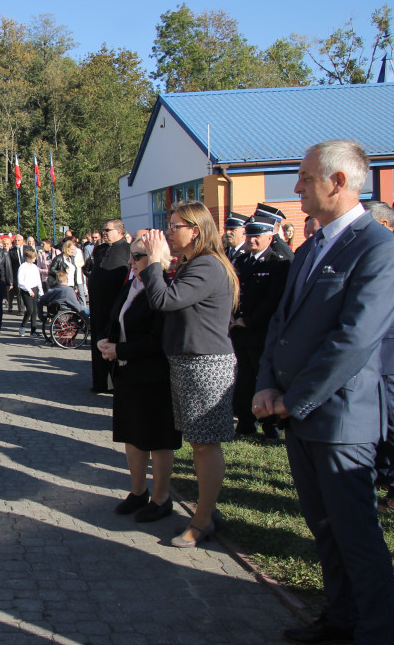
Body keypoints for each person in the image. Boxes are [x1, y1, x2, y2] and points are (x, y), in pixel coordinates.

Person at [253, 140, 394, 645]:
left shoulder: (380, 250)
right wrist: (267, 384)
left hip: (340, 421)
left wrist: (291, 398)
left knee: (357, 537)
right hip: (300, 414)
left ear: (338, 182)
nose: (296, 187)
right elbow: (281, 324)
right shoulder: (312, 246)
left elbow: (354, 340)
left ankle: (376, 632)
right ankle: (340, 621)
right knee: (326, 531)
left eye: (304, 177)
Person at [138, 201, 239, 548]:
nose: (168, 232)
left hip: (204, 364)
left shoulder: (207, 266)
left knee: (204, 446)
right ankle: (208, 509)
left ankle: (203, 519)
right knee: (200, 444)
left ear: (195, 230)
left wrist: (153, 263)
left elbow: (165, 301)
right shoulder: (197, 263)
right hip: (190, 363)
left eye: (175, 226)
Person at [98, 237, 180, 523]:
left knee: (157, 440)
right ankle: (137, 492)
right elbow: (118, 319)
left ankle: (161, 498)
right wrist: (108, 342)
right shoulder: (132, 284)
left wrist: (120, 349)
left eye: (138, 256)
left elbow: (159, 340)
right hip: (127, 373)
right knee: (131, 436)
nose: (131, 261)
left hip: (154, 377)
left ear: (158, 259)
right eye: (131, 256)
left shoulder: (166, 289)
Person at [363, 201, 394, 513]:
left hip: (390, 347)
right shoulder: (374, 253)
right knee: (377, 414)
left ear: (383, 225)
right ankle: (384, 472)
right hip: (373, 348)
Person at [230, 218, 290, 439]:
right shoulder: (242, 261)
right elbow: (234, 292)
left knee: (263, 376)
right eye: (248, 236)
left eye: (257, 236)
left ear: (269, 238)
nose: (251, 240)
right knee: (244, 378)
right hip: (239, 330)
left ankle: (270, 423)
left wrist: (250, 321)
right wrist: (233, 316)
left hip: (261, 331)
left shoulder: (278, 263)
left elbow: (273, 299)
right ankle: (246, 421)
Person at [86, 219, 131, 393]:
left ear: (119, 231)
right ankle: (99, 382)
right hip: (97, 305)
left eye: (108, 230)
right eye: (103, 230)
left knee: (111, 340)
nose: (104, 232)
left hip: (114, 304)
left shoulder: (127, 249)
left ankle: (113, 383)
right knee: (97, 340)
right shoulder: (100, 249)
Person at [16, 246, 42, 337]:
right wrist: (29, 290)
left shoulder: (34, 267)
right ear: (28, 257)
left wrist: (40, 291)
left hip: (34, 289)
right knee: (30, 309)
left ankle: (33, 330)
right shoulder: (23, 267)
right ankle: (22, 326)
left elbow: (38, 280)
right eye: (33, 257)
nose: (35, 259)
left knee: (34, 310)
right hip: (26, 290)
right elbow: (20, 282)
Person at [7, 234, 26, 313]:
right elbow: (10, 265)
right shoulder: (11, 251)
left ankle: (29, 307)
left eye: (18, 240)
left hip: (27, 274)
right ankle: (21, 310)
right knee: (19, 291)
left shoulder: (28, 249)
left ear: (22, 241)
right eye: (15, 241)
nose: (17, 242)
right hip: (17, 274)